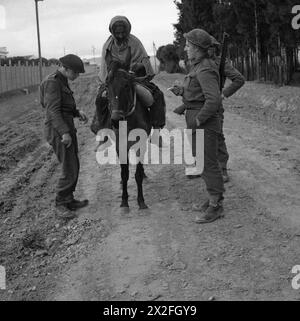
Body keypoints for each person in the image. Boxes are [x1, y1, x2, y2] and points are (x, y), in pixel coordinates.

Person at [170, 29, 225, 224]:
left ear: (198, 48)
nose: (185, 48)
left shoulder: (206, 68)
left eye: (188, 45)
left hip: (204, 122)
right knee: (202, 162)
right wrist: (181, 91)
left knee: (208, 163)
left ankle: (216, 205)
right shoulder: (198, 66)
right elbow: (197, 92)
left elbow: (213, 99)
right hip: (195, 118)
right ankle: (213, 197)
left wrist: (200, 120)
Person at [173, 35, 245, 182]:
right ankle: (201, 166)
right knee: (196, 137)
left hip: (213, 107)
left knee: (217, 137)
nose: (210, 50)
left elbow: (239, 79)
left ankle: (222, 169)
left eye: (212, 47)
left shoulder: (219, 63)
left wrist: (223, 94)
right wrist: (182, 90)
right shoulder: (196, 63)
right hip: (197, 106)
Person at [92, 16, 165, 146]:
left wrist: (134, 71)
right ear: (112, 32)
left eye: (123, 32)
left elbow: (143, 62)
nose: (120, 35)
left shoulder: (135, 42)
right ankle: (103, 133)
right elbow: (105, 66)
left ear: (128, 30)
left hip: (134, 77)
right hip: (114, 79)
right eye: (117, 32)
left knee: (157, 94)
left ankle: (157, 132)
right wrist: (108, 80)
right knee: (100, 100)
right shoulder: (108, 46)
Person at [40, 54, 89, 219]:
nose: (76, 76)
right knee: (69, 166)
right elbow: (52, 110)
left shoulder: (61, 80)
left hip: (66, 127)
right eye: (75, 72)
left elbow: (64, 105)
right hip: (58, 131)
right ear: (65, 68)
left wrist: (76, 112)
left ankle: (69, 200)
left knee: (73, 164)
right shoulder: (52, 82)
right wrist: (64, 133)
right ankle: (60, 204)